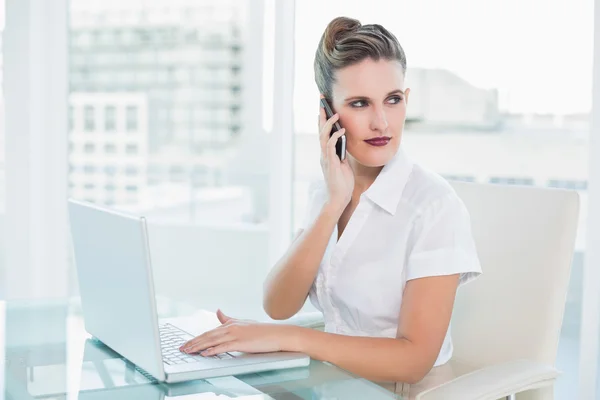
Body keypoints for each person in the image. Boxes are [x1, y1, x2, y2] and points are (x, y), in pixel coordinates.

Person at [180, 16, 482, 384]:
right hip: (333, 381)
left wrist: (291, 338)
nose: (382, 123)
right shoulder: (327, 191)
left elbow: (414, 360)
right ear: (328, 112)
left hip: (398, 391)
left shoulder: (433, 207)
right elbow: (278, 305)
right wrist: (332, 205)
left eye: (392, 100)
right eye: (359, 104)